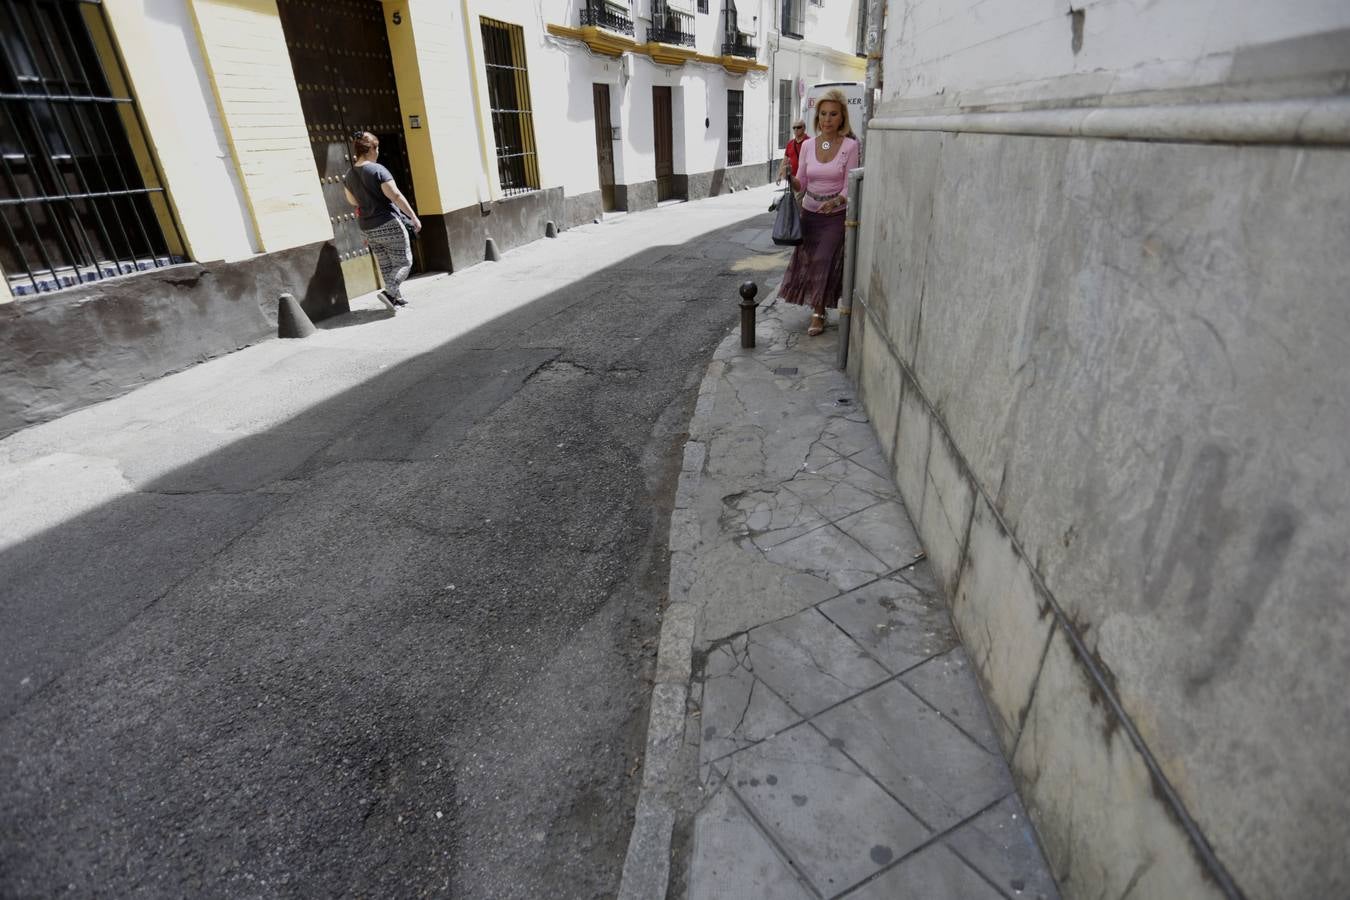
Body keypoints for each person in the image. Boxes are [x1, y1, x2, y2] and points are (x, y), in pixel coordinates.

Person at [778, 91, 860, 336]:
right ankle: (818, 306)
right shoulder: (809, 145)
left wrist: (837, 200)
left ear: (842, 117)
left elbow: (850, 183)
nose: (827, 119)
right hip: (809, 213)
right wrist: (789, 176)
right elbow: (802, 183)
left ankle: (819, 313)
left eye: (833, 114)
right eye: (823, 114)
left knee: (824, 259)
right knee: (811, 261)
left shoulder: (850, 146)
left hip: (836, 215)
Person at [342, 131, 421, 309]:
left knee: (386, 264)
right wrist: (412, 216)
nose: (378, 152)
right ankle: (388, 292)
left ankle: (395, 298)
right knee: (404, 262)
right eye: (377, 149)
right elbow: (396, 196)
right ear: (372, 149)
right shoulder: (377, 170)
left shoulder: (348, 175)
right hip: (388, 222)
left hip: (368, 227)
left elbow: (353, 201)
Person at [777, 118, 807, 183]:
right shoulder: (790, 143)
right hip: (793, 179)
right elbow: (784, 160)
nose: (796, 129)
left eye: (798, 127)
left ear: (804, 128)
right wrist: (779, 175)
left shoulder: (810, 142)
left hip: (806, 179)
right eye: (794, 127)